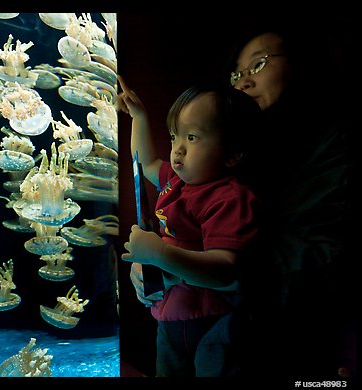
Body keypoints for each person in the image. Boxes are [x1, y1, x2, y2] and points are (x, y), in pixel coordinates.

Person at [223, 26, 357, 379]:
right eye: (237, 73)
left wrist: (199, 267)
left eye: (259, 64)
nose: (243, 82)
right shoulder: (242, 156)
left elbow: (324, 261)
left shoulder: (335, 141)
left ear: (302, 66)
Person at [117, 77, 263, 377]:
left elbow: (225, 269)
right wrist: (140, 117)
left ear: (233, 153)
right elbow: (143, 163)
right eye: (174, 137)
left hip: (212, 321)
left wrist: (159, 255)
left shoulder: (229, 197)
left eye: (192, 138)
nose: (178, 150)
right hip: (170, 316)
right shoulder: (175, 181)